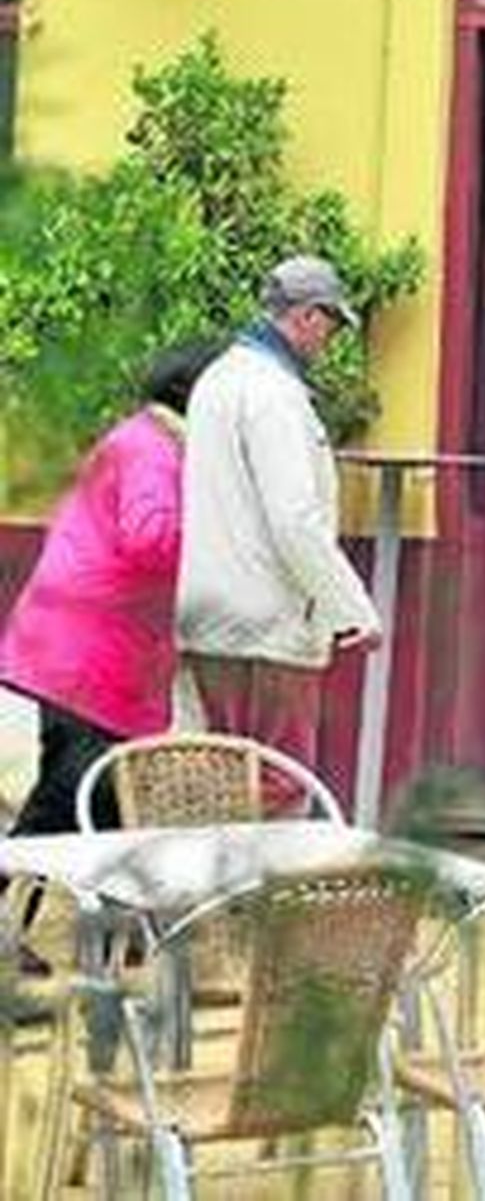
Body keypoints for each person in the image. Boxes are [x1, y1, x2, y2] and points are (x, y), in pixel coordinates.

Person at [0, 340, 221, 835]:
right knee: (71, 807)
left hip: (94, 654)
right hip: (87, 654)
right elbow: (151, 538)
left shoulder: (150, 442)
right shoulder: (151, 449)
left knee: (97, 812)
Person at [177, 254, 381, 774]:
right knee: (280, 781)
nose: (329, 339)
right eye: (331, 323)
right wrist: (353, 609)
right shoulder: (275, 396)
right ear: (308, 315)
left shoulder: (216, 381)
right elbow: (295, 520)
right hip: (268, 625)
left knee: (224, 781)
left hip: (209, 619)